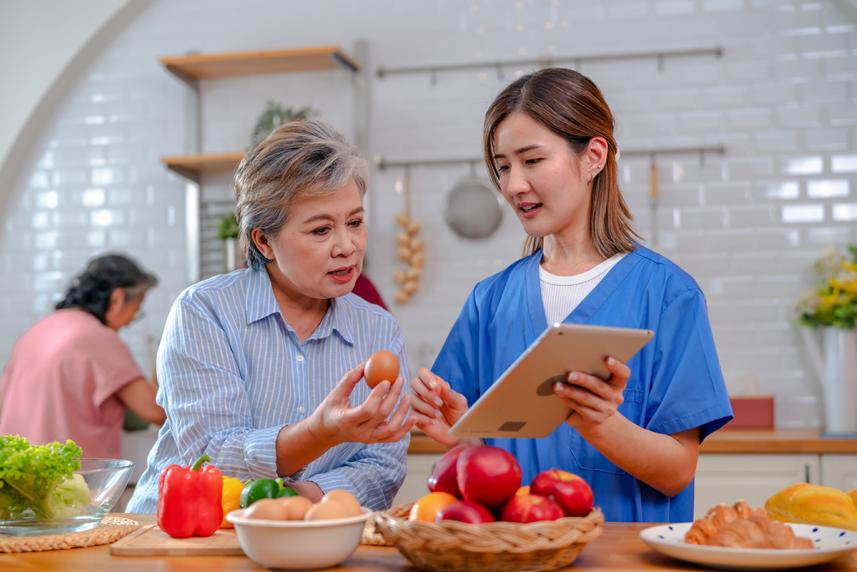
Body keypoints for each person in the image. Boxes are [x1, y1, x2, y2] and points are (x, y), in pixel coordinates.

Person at [410, 68, 733, 523]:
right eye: (503, 166)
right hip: (515, 557)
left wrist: (603, 425)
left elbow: (677, 470)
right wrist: (462, 438)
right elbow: (487, 470)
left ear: (593, 156)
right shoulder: (489, 301)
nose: (514, 184)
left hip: (624, 559)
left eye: (532, 160)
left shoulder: (667, 294)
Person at [127, 120, 414, 513]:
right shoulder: (205, 312)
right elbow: (212, 455)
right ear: (264, 241)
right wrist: (320, 433)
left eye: (355, 222)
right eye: (320, 230)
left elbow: (384, 464)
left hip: (310, 535)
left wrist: (299, 500)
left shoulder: (378, 328)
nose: (347, 246)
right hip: (189, 536)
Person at [0, 254, 164, 458]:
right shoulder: (99, 339)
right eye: (136, 310)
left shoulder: (36, 331)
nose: (131, 321)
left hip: (14, 475)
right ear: (118, 298)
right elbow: (156, 411)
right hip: (70, 480)